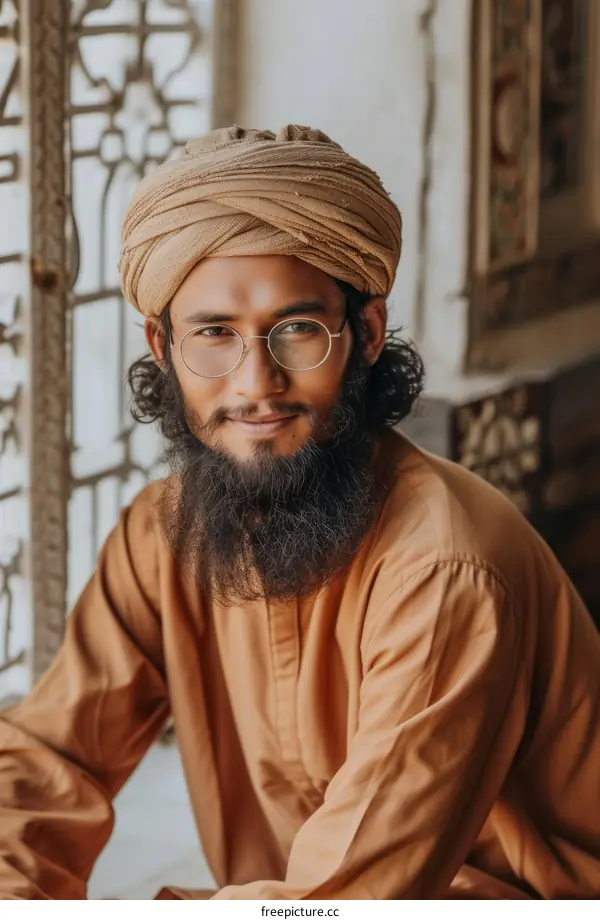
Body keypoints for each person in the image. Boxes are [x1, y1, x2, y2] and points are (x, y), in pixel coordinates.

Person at [1, 125, 599, 902]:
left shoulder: (444, 570)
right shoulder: (161, 535)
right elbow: (50, 764)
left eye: (298, 331)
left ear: (366, 335)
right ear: (162, 346)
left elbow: (344, 900)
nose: (257, 383)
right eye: (213, 334)